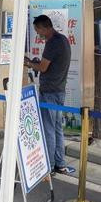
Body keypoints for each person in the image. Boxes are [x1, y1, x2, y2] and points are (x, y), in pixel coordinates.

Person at [24, 15, 72, 175]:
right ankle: (60, 163)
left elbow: (43, 68)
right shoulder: (63, 40)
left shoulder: (52, 43)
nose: (38, 34)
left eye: (38, 30)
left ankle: (49, 166)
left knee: (49, 129)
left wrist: (28, 63)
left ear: (44, 27)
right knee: (57, 128)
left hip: (49, 92)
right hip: (59, 91)